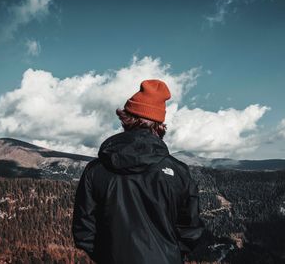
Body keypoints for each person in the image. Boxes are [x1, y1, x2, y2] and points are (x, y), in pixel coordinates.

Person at [72, 79, 205, 264]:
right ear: (159, 125)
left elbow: (84, 231)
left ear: (126, 119)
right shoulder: (179, 172)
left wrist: (108, 256)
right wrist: (170, 255)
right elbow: (190, 230)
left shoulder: (96, 170)